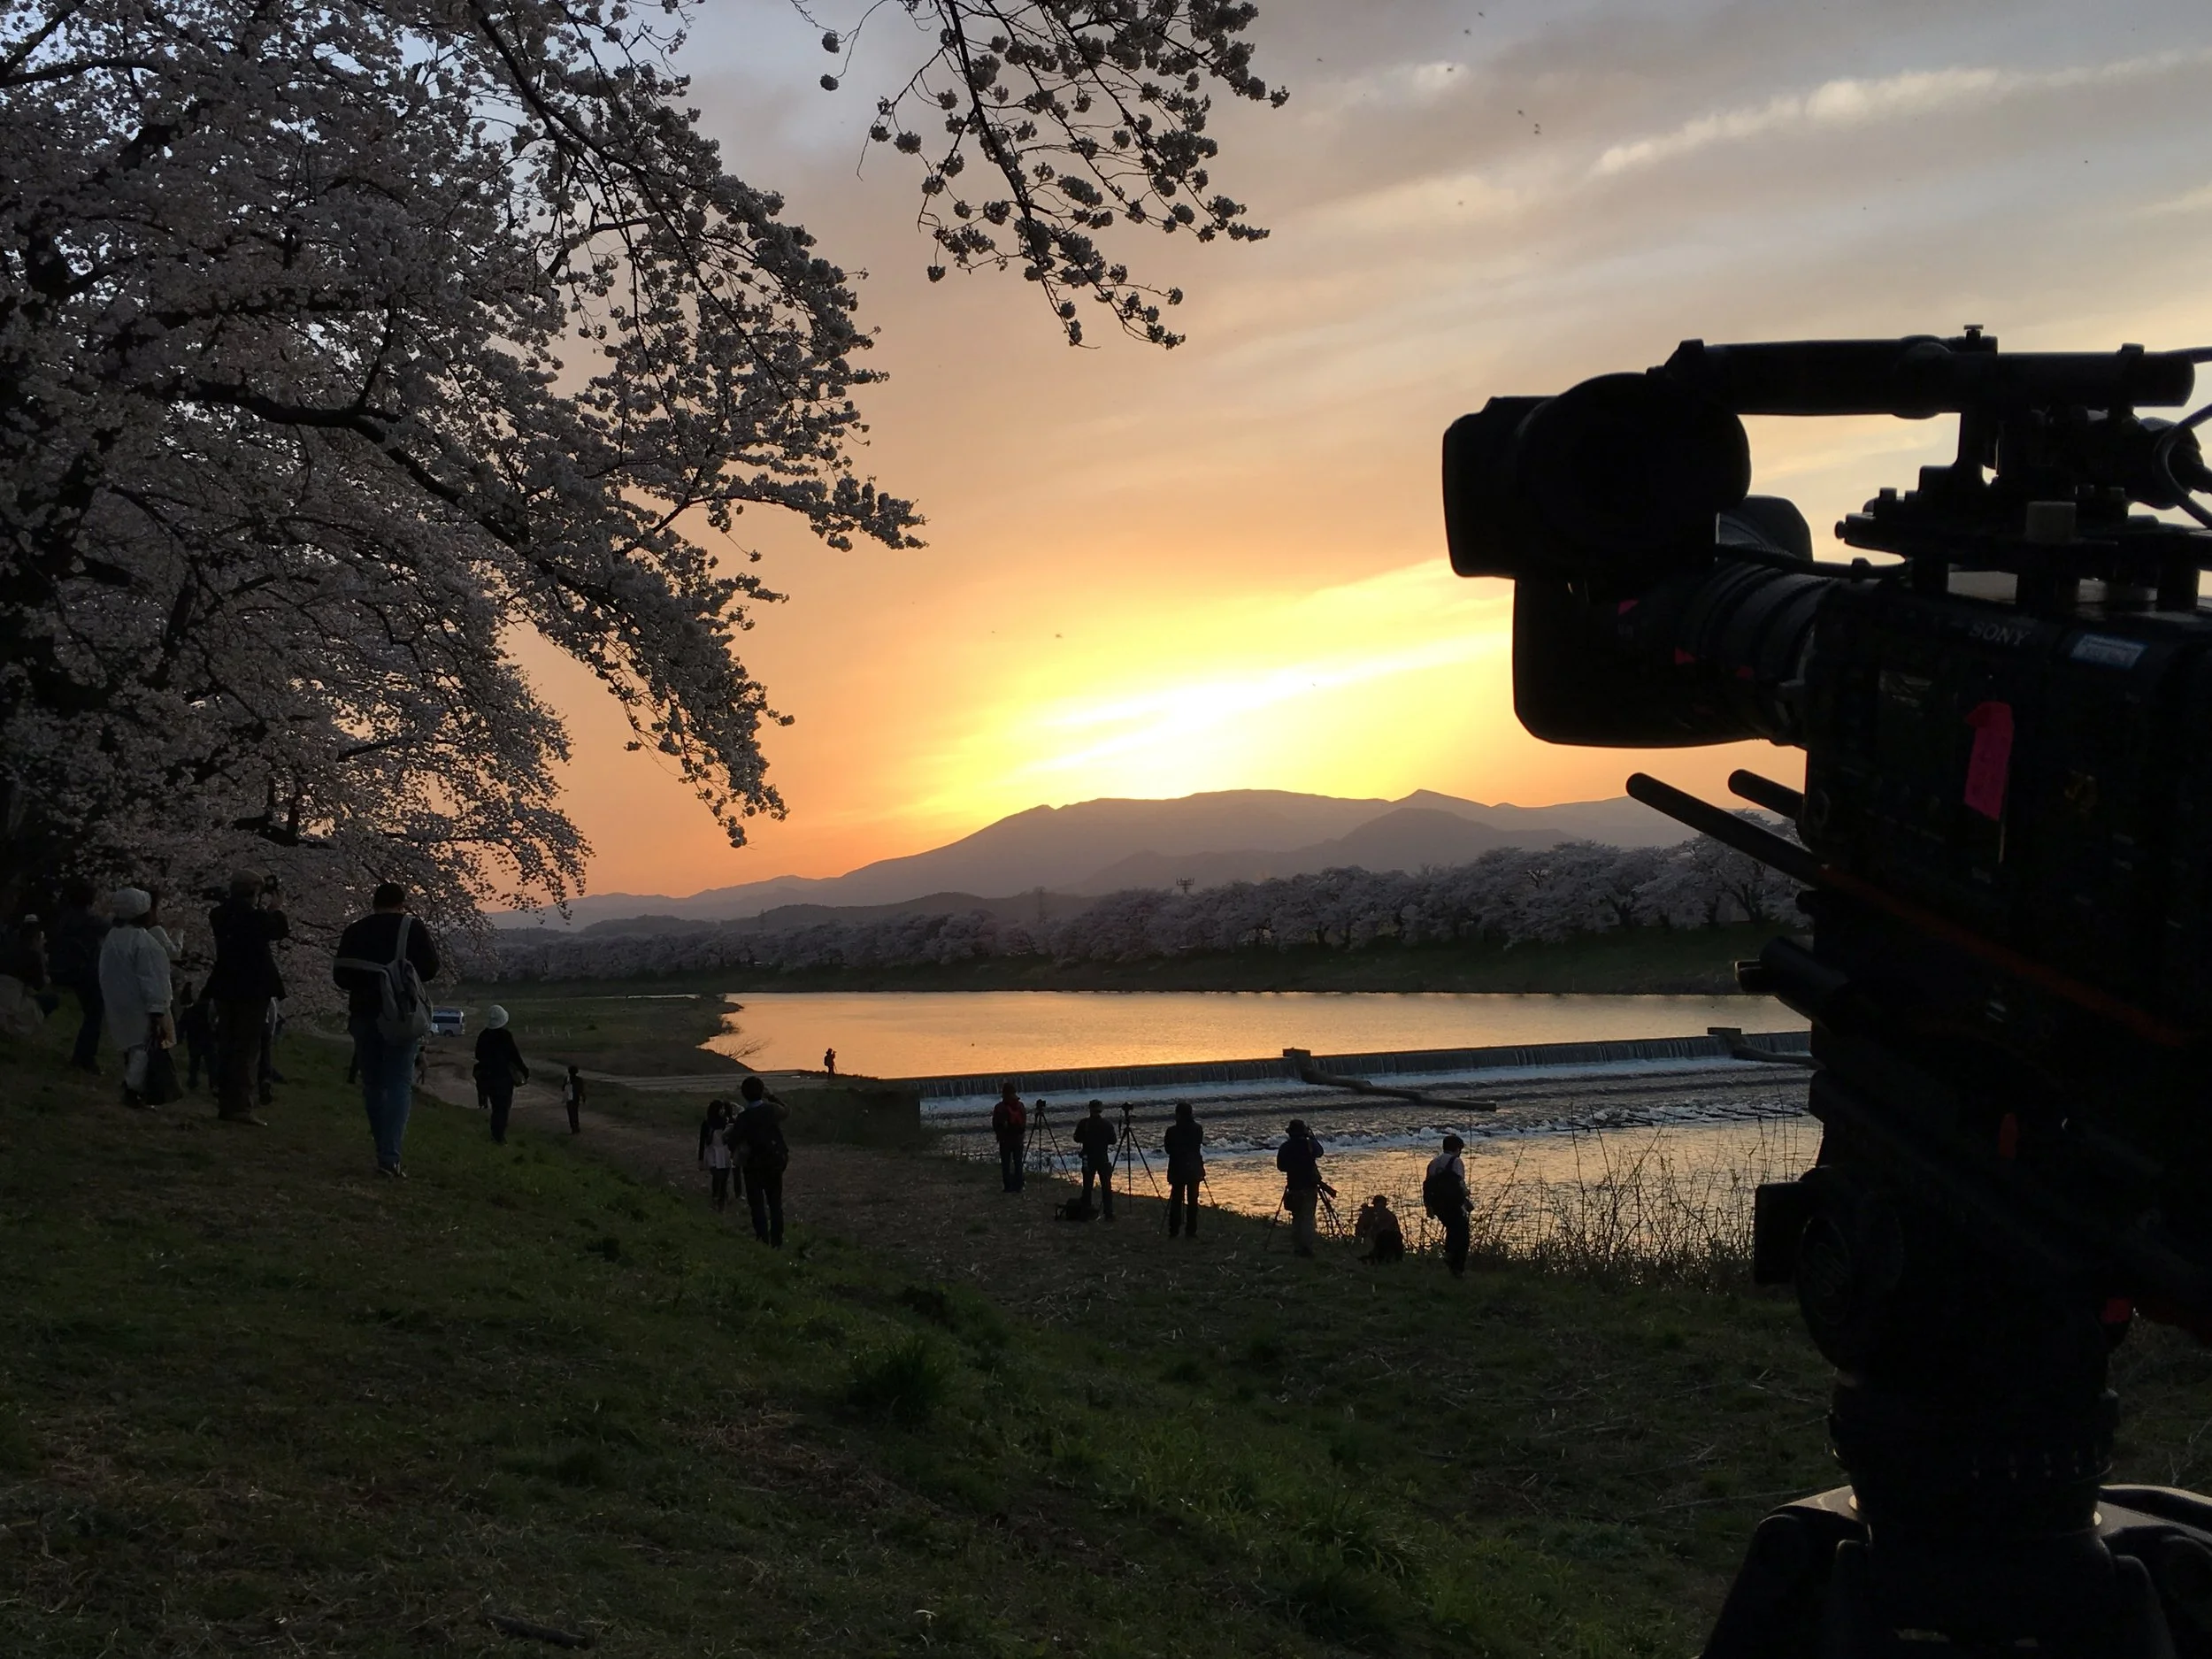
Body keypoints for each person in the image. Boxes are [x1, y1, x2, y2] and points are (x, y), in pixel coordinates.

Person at [333, 881, 441, 1178]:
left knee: (373, 1084)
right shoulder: (411, 928)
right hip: (399, 1017)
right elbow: (431, 968)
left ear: (373, 903)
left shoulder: (355, 930)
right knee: (398, 1083)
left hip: (363, 1013)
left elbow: (340, 976)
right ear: (402, 903)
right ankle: (389, 1156)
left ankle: (383, 1147)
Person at [204, 870, 288, 1125]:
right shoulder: (255, 918)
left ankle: (225, 1100)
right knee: (247, 1047)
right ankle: (240, 1105)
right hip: (252, 989)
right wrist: (275, 908)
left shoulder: (219, 914)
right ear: (254, 893)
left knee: (228, 1043)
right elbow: (278, 930)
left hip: (224, 984)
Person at [97, 887, 173, 1108]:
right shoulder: (145, 943)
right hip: (139, 1003)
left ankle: (135, 1090)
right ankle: (134, 1091)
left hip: (118, 1000)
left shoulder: (113, 937)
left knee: (131, 1047)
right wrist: (158, 1009)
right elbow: (152, 979)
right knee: (143, 1048)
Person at [50, 879, 107, 1071]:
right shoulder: (88, 919)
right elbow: (109, 927)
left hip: (68, 969)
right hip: (85, 971)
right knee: (95, 1014)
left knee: (91, 1014)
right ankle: (85, 1057)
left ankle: (81, 1056)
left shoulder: (66, 917)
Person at [733, 1076, 790, 1246]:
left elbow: (733, 1141)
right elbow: (787, 1111)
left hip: (752, 1166)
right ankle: (777, 1241)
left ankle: (762, 1239)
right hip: (774, 1162)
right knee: (775, 1204)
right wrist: (772, 1096)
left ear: (744, 1094)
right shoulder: (771, 1110)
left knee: (757, 1205)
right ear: (762, 1091)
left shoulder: (743, 1118)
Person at [473, 1006, 529, 1145]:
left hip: (487, 1076)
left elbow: (478, 1055)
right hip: (503, 1076)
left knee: (495, 1106)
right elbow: (514, 1055)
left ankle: (495, 1133)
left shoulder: (483, 1035)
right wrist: (524, 1070)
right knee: (503, 1107)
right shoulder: (505, 1036)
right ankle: (499, 1137)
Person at [1424, 1134, 1475, 1278]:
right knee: (1462, 1237)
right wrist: (1466, 1194)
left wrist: (1429, 1207)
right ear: (1458, 1149)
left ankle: (1450, 1258)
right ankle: (1457, 1267)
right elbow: (1460, 1185)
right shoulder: (1456, 1161)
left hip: (1438, 1205)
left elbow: (1427, 1186)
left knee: (1452, 1230)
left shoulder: (1433, 1162)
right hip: (1453, 1204)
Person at [1276, 1119, 1328, 1258]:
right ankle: (1306, 1248)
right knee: (1307, 1218)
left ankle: (1298, 1247)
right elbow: (1320, 1152)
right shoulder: (1310, 1145)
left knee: (1297, 1218)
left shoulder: (1285, 1147)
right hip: (1309, 1187)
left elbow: (1281, 1167)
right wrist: (1311, 1136)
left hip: (1293, 1187)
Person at [1163, 1101, 1206, 1240]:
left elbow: (1168, 1149)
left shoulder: (1171, 1131)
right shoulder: (1198, 1128)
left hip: (1177, 1169)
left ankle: (1174, 1230)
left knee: (1176, 1200)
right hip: (1193, 1168)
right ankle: (1191, 1230)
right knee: (1193, 1201)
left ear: (1178, 1115)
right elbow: (1197, 1145)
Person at [1072, 1099, 1116, 1222]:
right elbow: (1113, 1140)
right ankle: (1109, 1213)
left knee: (1087, 1186)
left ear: (1090, 1109)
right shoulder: (1107, 1124)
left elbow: (1076, 1138)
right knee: (1106, 1186)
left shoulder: (1084, 1123)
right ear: (1101, 1110)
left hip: (1088, 1157)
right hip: (1102, 1157)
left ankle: (1086, 1212)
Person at [699, 1098, 736, 1210]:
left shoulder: (727, 1122)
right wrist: (700, 1159)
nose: (722, 1111)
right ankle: (716, 1197)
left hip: (724, 1152)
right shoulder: (707, 1123)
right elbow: (702, 1141)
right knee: (717, 1176)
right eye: (720, 1109)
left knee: (724, 1177)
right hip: (713, 1152)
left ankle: (721, 1201)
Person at [177, 981, 215, 1091]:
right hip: (208, 1040)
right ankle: (213, 1084)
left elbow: (182, 1024)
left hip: (194, 1039)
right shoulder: (210, 1011)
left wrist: (179, 1037)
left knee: (194, 1063)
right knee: (211, 1064)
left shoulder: (190, 1011)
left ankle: (192, 1082)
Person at [990, 1082, 1027, 1193]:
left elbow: (996, 1124)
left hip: (1005, 1139)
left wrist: (999, 1133)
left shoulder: (1000, 1107)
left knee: (1006, 1164)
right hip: (1018, 1139)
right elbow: (1024, 1122)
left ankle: (1008, 1187)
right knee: (1018, 1162)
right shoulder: (1020, 1106)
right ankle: (1018, 1186)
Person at [1355, 1195, 1406, 1264]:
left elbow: (1397, 1233)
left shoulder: (1390, 1216)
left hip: (1386, 1243)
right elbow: (1359, 1232)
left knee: (1390, 1236)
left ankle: (1394, 1259)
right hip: (1377, 1244)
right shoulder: (1368, 1214)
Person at [561, 1064, 585, 1133]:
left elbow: (563, 1088)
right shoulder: (579, 1080)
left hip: (569, 1098)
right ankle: (576, 1126)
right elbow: (581, 1090)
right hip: (576, 1098)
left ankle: (573, 1127)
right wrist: (583, 1097)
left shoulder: (567, 1079)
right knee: (575, 1112)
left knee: (570, 1113)